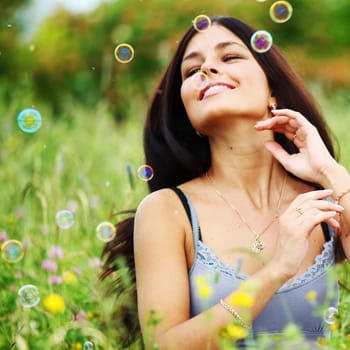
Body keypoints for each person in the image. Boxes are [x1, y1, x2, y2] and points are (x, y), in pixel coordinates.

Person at [101, 16, 350, 349]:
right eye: (191, 71)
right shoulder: (167, 211)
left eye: (230, 57)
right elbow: (164, 345)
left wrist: (330, 172)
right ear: (187, 111)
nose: (207, 71)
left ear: (271, 89)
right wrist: (277, 269)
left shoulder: (325, 203)